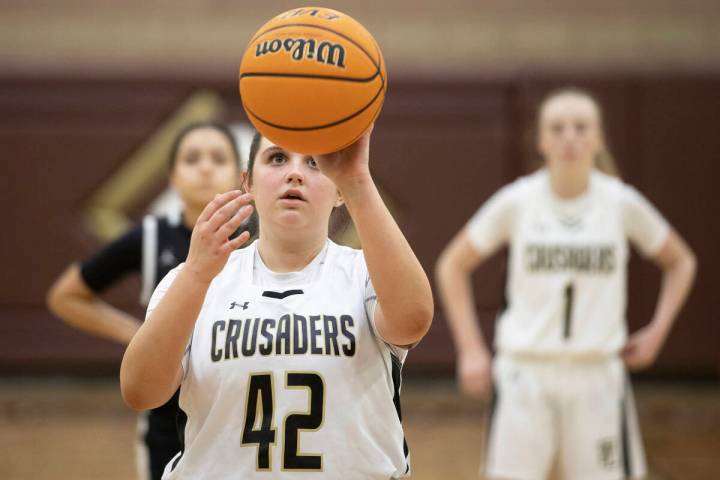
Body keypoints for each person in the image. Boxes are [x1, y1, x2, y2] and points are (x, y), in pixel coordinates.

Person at [119, 127, 434, 479]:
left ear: (339, 191)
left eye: (315, 163)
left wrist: (358, 180)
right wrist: (195, 274)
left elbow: (413, 321)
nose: (295, 173)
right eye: (277, 158)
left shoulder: (366, 273)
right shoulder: (192, 280)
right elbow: (140, 391)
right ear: (248, 182)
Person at [435, 88, 697, 480]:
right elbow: (452, 265)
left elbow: (681, 261)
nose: (569, 137)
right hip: (525, 373)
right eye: (557, 128)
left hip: (597, 375)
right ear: (542, 141)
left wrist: (658, 332)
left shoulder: (621, 203)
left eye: (581, 127)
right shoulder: (518, 201)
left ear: (598, 138)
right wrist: (471, 350)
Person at [47, 121, 243, 480]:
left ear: (239, 176)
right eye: (192, 158)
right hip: (166, 421)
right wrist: (136, 335)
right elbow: (66, 296)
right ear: (172, 178)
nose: (204, 167)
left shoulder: (256, 239)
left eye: (218, 158)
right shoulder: (151, 236)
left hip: (234, 412)